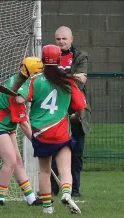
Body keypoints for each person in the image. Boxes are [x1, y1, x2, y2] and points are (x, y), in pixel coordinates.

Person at [15, 45, 87, 214]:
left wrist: (19, 92)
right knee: (65, 169)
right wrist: (75, 115)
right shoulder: (68, 81)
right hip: (61, 131)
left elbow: (19, 99)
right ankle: (67, 193)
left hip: (40, 133)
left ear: (42, 59)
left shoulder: (35, 79)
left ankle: (47, 207)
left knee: (45, 171)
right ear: (59, 59)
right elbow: (80, 105)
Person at [0, 57, 43, 206]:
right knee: (10, 161)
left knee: (18, 162)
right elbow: (24, 125)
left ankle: (31, 199)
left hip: (7, 125)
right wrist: (38, 143)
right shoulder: (17, 95)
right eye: (40, 73)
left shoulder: (20, 82)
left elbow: (24, 121)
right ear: (34, 74)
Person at [50, 26, 90, 197]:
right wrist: (71, 75)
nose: (61, 42)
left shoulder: (81, 56)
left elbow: (80, 83)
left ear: (71, 39)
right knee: (52, 152)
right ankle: (53, 188)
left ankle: (75, 189)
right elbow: (47, 77)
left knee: (76, 154)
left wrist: (60, 76)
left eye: (64, 39)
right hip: (55, 112)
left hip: (76, 113)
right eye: (58, 39)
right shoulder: (50, 56)